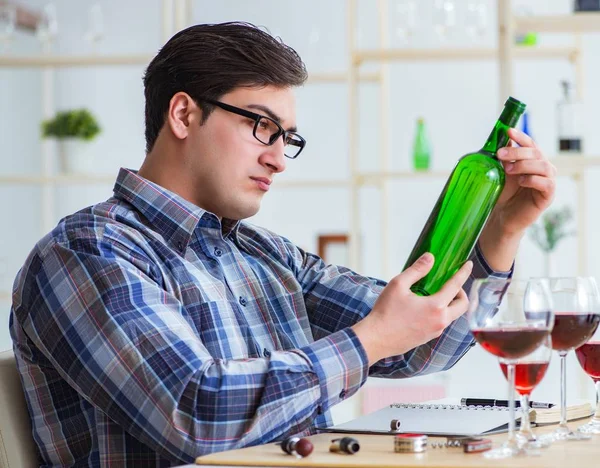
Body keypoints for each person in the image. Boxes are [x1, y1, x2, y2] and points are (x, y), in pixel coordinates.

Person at [10, 22, 556, 467]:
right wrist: (367, 342)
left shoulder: (267, 256)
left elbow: (419, 342)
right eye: (262, 127)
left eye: (286, 138)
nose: (277, 157)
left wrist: (503, 230)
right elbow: (192, 415)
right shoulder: (89, 252)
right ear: (183, 114)